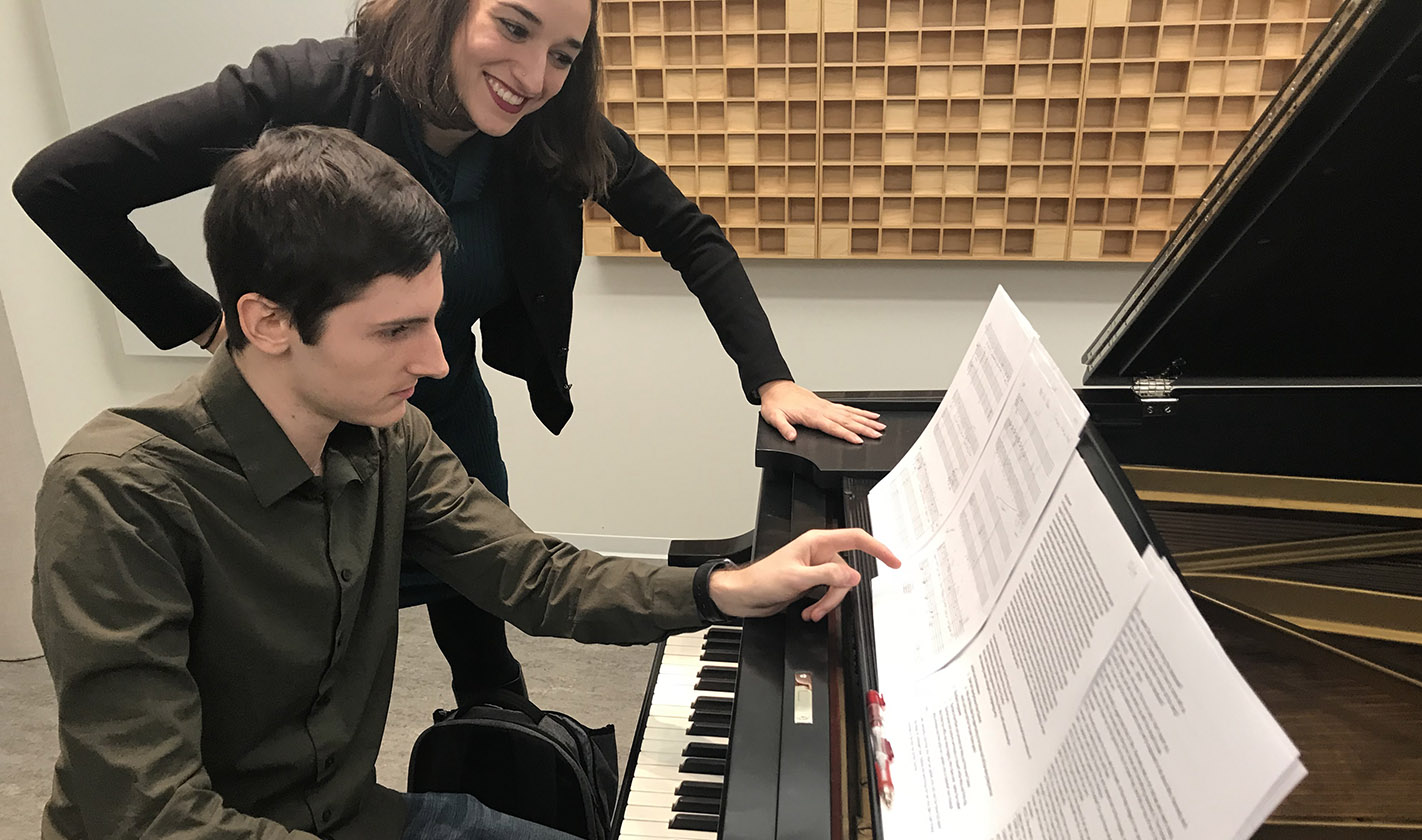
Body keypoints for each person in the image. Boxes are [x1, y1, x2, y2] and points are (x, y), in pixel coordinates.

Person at [31, 124, 899, 840]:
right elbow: (148, 815)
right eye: (395, 330)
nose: (438, 359)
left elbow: (532, 573)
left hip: (351, 817)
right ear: (267, 321)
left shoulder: (391, 436)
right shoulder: (118, 495)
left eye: (434, 321)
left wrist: (726, 586)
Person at [13, 0, 887, 707]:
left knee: (486, 595)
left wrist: (769, 378)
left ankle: (497, 733)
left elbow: (690, 236)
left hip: (444, 398)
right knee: (298, 633)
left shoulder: (549, 134)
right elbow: (60, 183)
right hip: (302, 411)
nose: (536, 75)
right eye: (513, 27)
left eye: (564, 54)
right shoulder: (305, 86)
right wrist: (204, 321)